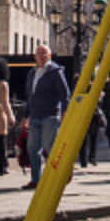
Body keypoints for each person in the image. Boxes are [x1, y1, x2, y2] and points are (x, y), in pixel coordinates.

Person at [21, 44, 70, 190]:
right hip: (35, 115)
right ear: (35, 56)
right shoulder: (32, 72)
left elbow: (64, 94)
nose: (41, 56)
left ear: (49, 56)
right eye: (38, 53)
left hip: (50, 115)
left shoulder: (55, 72)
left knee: (50, 148)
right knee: (32, 148)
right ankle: (36, 179)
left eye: (44, 53)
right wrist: (25, 116)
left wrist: (65, 112)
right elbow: (29, 96)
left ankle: (53, 178)